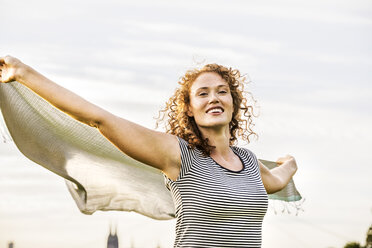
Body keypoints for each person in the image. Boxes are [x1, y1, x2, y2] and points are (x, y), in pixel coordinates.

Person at [0, 55, 298, 247]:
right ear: (190, 110)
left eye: (222, 91)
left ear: (234, 103)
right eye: (202, 93)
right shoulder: (178, 155)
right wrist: (23, 73)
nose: (214, 98)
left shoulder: (248, 162)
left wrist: (291, 163)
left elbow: (276, 179)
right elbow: (99, 119)